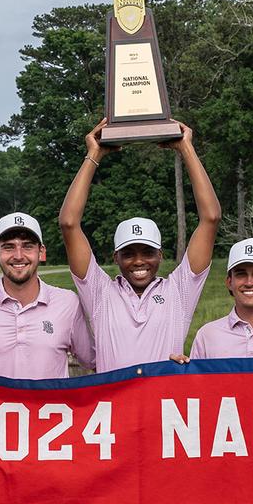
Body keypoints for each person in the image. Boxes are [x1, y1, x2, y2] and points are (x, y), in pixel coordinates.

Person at [59, 118, 220, 372]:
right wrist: (93, 154)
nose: (138, 261)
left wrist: (186, 148)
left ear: (160, 255)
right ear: (116, 258)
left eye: (147, 252)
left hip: (162, 409)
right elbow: (69, 223)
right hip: (113, 409)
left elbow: (210, 218)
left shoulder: (178, 291)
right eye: (129, 253)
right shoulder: (101, 293)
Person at [0, 213, 94, 379]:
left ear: (41, 252)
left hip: (51, 405)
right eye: (9, 247)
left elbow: (94, 361)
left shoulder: (68, 303)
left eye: (27, 246)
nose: (18, 255)